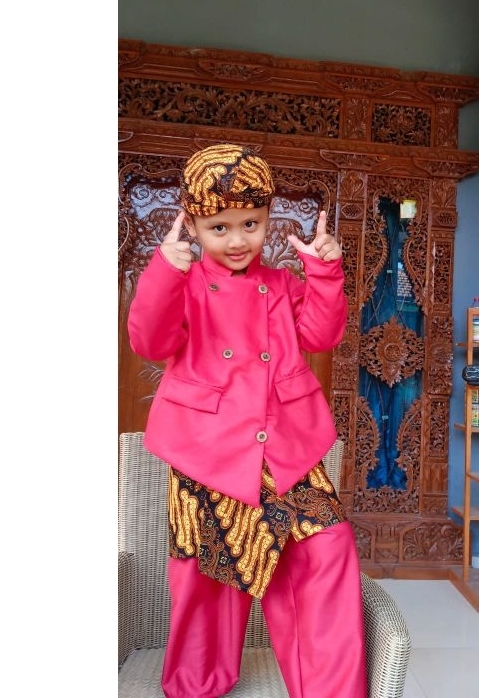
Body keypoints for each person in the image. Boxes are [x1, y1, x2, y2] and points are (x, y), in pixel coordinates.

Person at [127, 143, 368, 698]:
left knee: (327, 549)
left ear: (267, 219)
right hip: (207, 453)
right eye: (219, 228)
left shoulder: (281, 284)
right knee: (209, 577)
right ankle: (197, 684)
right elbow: (150, 341)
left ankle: (331, 690)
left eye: (251, 225)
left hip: (283, 450)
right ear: (193, 225)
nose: (237, 240)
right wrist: (165, 270)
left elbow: (321, 335)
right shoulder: (183, 281)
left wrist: (324, 269)